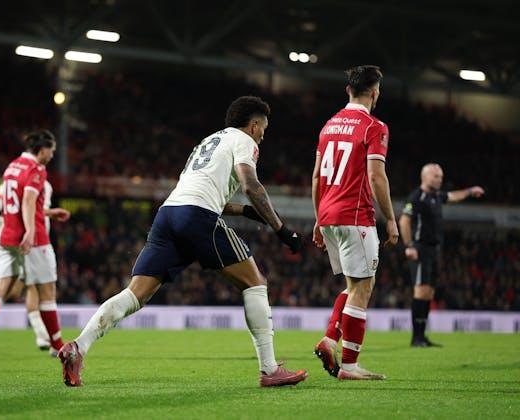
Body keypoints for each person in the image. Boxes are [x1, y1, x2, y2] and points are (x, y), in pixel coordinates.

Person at [59, 96, 308, 388]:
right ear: (253, 125)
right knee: (255, 283)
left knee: (135, 294)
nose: (263, 134)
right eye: (263, 128)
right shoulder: (244, 141)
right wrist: (281, 229)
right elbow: (251, 185)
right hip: (197, 216)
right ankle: (269, 369)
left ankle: (78, 346)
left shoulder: (207, 142)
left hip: (168, 215)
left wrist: (244, 211)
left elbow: (201, 191)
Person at [312, 65, 399, 380]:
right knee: (363, 287)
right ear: (375, 93)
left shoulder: (329, 126)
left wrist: (318, 219)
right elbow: (376, 176)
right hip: (355, 215)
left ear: (348, 90)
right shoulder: (374, 126)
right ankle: (349, 365)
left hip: (329, 215)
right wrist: (391, 219)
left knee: (353, 286)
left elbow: (317, 176)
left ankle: (329, 339)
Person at [0, 130, 65, 359]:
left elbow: (18, 202)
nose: (52, 155)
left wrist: (49, 213)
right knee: (47, 291)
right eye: (51, 151)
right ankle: (58, 346)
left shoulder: (12, 167)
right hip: (31, 239)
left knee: (2, 288)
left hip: (6, 236)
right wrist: (30, 231)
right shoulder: (36, 169)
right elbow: (28, 201)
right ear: (42, 150)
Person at [399, 163, 484, 347]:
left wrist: (470, 191)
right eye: (436, 176)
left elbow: (453, 196)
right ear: (425, 177)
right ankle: (416, 338)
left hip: (434, 250)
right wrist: (409, 245)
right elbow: (404, 220)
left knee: (429, 292)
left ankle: (422, 336)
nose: (439, 180)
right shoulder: (417, 197)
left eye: (441, 177)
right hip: (420, 248)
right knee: (421, 290)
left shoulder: (436, 196)